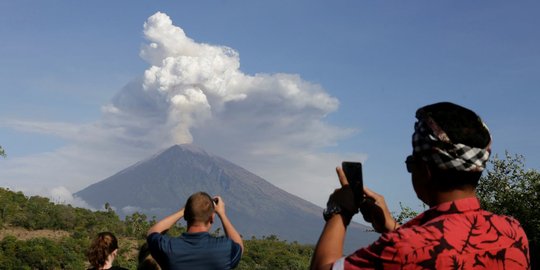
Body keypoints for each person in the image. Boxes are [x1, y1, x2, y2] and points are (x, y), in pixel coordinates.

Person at [310, 102, 531, 269]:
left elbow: (325, 267)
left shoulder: (404, 248)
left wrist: (340, 211)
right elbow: (447, 242)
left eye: (411, 163)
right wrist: (393, 228)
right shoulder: (512, 231)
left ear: (425, 171)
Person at [147, 191, 244, 269]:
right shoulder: (224, 249)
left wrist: (183, 210)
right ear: (212, 218)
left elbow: (152, 232)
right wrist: (222, 214)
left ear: (185, 215)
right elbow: (239, 245)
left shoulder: (168, 247)